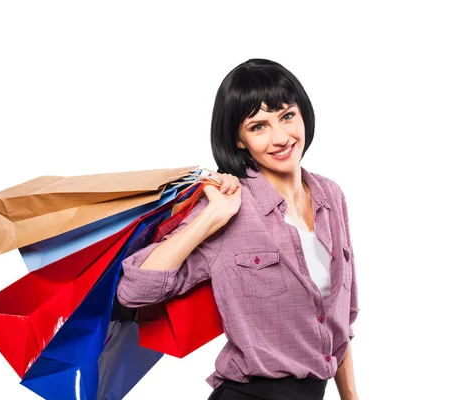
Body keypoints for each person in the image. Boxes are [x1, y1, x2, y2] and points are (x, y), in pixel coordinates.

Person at [116, 59, 359, 400]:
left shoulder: (330, 196)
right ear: (240, 140)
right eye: (258, 126)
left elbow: (340, 325)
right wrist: (211, 217)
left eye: (287, 116)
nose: (280, 137)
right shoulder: (230, 206)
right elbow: (134, 289)